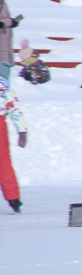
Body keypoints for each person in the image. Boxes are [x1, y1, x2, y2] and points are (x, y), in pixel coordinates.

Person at [0, 72, 28, 212]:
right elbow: (14, 106)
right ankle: (13, 198)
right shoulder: (2, 83)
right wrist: (22, 130)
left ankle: (13, 198)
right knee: (3, 162)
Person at [0, 0, 22, 82]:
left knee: (4, 82)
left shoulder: (4, 4)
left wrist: (12, 23)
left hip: (5, 42)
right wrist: (9, 22)